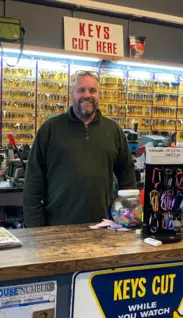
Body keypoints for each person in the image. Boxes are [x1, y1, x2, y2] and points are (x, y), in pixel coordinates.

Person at [23, 70, 136, 227]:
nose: (87, 95)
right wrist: (35, 228)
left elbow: (127, 176)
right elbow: (33, 183)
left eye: (92, 90)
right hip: (57, 227)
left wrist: (127, 219)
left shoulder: (113, 130)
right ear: (72, 94)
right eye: (81, 90)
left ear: (99, 95)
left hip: (102, 226)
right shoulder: (50, 128)